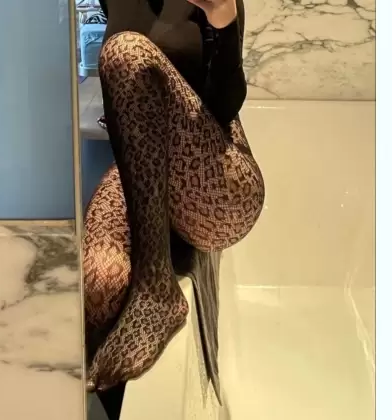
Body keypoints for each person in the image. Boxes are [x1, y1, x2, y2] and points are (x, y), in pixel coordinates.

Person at [83, 0, 265, 418]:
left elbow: (225, 106)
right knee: (101, 280)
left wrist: (223, 20)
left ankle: (155, 283)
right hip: (145, 175)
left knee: (126, 51)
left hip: (218, 184)